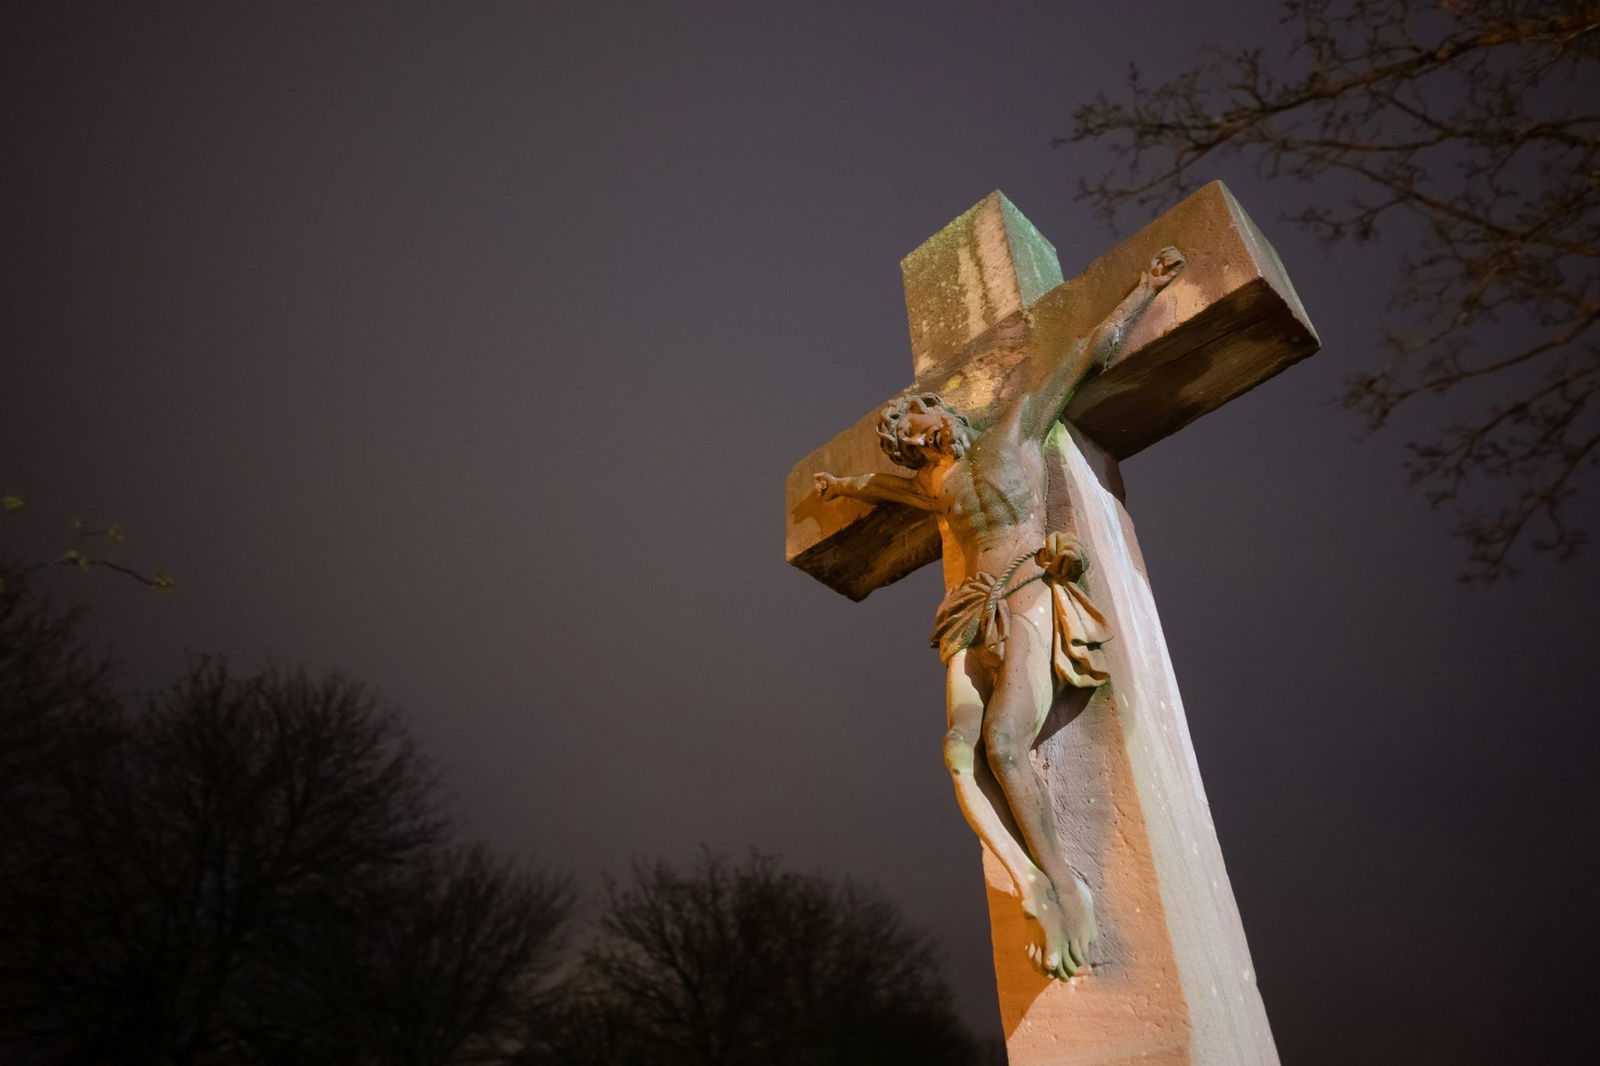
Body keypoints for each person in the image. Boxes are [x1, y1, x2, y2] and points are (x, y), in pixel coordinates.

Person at [815, 247, 1186, 978]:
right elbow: (883, 490)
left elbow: (1086, 354)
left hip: (1024, 594)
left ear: (942, 414)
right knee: (960, 753)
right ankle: (1027, 880)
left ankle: (1065, 882)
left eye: (917, 422)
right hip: (967, 612)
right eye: (906, 439)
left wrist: (1142, 291)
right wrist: (841, 484)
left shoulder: (1017, 428)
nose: (915, 437)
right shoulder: (938, 488)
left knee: (1007, 744)